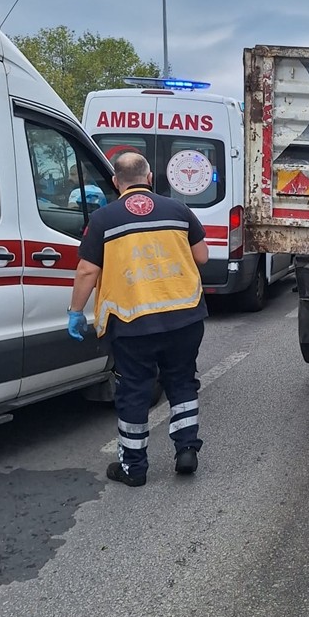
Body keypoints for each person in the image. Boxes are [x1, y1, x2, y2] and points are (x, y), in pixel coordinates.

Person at [67, 151, 209, 488]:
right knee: (182, 382)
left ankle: (133, 467)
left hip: (132, 322)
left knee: (134, 391)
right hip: (184, 316)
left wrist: (75, 311)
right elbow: (201, 256)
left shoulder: (103, 218)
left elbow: (87, 270)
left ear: (116, 182)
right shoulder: (178, 210)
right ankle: (186, 449)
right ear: (149, 178)